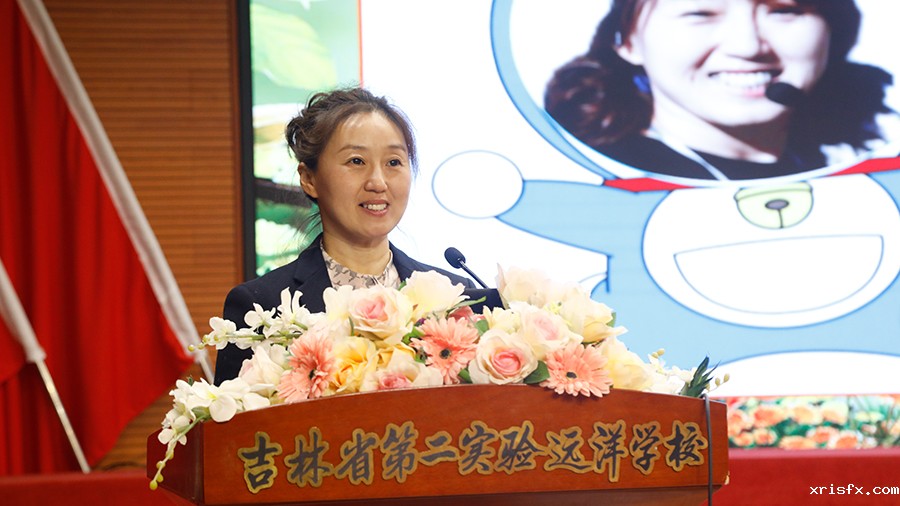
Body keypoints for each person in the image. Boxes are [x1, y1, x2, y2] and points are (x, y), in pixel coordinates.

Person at [214, 87, 476, 385]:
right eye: (356, 161)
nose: (378, 182)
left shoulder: (454, 296)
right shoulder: (261, 306)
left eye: (393, 162)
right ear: (309, 179)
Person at [544, 0, 895, 180]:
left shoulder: (867, 164)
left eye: (783, 10)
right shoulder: (590, 177)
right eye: (699, 13)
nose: (747, 45)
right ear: (626, 41)